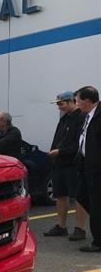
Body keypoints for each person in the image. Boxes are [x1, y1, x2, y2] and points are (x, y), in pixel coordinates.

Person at [43, 91, 87, 239]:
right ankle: (61, 226)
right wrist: (53, 154)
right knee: (60, 195)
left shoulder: (81, 117)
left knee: (78, 196)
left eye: (61, 104)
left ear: (71, 101)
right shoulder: (64, 119)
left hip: (73, 164)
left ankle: (80, 228)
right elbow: (57, 139)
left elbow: (79, 143)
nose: (59, 107)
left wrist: (60, 151)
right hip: (59, 163)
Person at [74, 86, 101, 252]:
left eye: (78, 101)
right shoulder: (87, 116)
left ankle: (98, 242)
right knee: (82, 196)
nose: (77, 104)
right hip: (86, 167)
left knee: (96, 204)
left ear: (88, 101)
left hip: (97, 169)